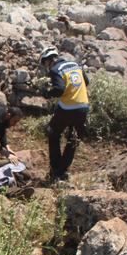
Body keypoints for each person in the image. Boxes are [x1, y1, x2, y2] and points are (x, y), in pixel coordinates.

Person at [39, 46, 90, 182]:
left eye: (44, 64)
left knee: (53, 133)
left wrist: (48, 93)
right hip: (83, 106)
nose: (46, 67)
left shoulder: (56, 70)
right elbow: (87, 82)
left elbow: (60, 89)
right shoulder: (75, 65)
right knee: (73, 139)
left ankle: (55, 169)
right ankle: (63, 171)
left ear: (47, 60)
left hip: (67, 108)